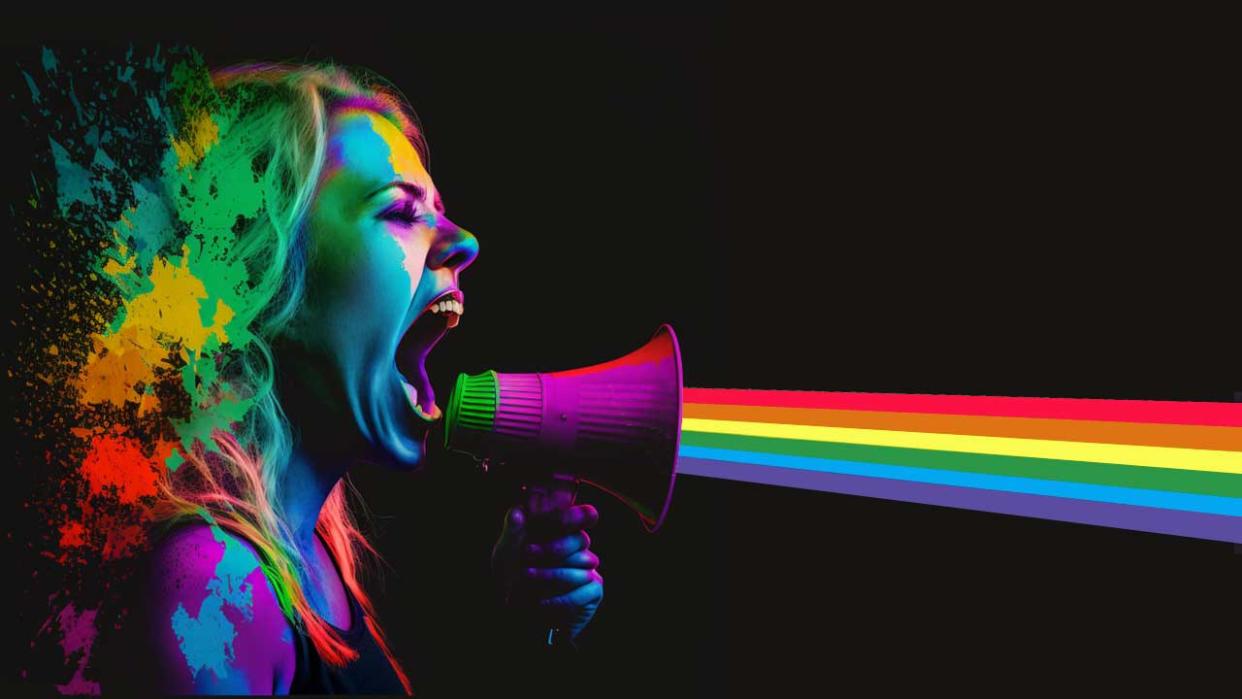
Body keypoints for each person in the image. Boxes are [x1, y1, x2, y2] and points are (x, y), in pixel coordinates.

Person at [127, 62, 605, 695]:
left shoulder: (314, 563)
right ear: (263, 276)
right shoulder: (212, 590)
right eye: (402, 212)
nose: (465, 243)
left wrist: (518, 629)